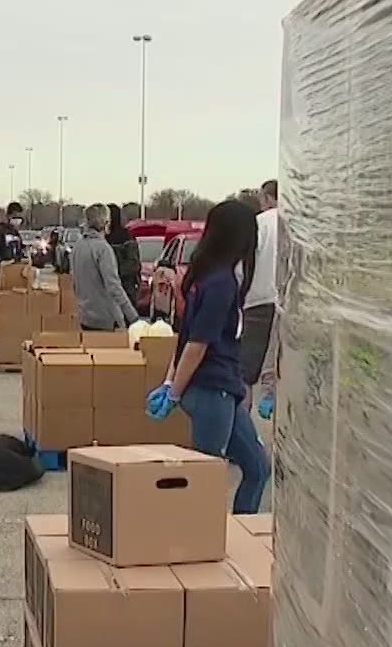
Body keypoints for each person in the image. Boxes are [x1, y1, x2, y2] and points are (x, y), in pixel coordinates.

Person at [147, 201, 270, 514]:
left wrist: (171, 380)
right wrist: (173, 390)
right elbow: (197, 344)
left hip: (221, 390)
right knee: (206, 477)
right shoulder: (220, 284)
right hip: (211, 390)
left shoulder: (205, 278)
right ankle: (193, 542)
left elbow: (185, 335)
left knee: (257, 468)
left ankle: (240, 532)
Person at [74, 203, 138, 332]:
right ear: (105, 222)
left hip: (85, 316)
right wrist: (133, 317)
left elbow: (75, 282)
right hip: (106, 318)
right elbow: (113, 286)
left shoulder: (78, 246)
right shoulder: (103, 249)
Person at [240, 180, 280, 386]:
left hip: (258, 301)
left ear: (267, 198)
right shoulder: (298, 225)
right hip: (291, 307)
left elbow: (243, 264)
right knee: (282, 371)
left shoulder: (259, 223)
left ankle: (241, 416)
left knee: (246, 374)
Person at [107, 203, 143, 304]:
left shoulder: (126, 239)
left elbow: (133, 264)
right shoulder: (100, 239)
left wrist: (111, 274)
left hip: (124, 290)